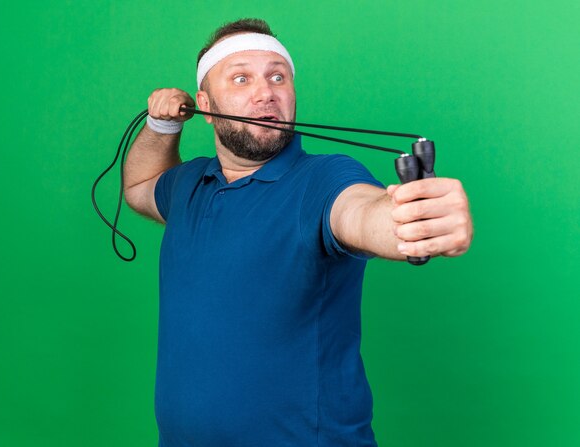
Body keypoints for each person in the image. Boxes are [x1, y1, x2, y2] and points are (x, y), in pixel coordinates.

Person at [124, 18, 472, 447]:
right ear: (206, 105)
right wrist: (162, 127)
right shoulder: (189, 185)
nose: (265, 91)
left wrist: (407, 221)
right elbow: (139, 188)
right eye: (241, 78)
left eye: (277, 76)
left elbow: (361, 211)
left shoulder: (324, 178)